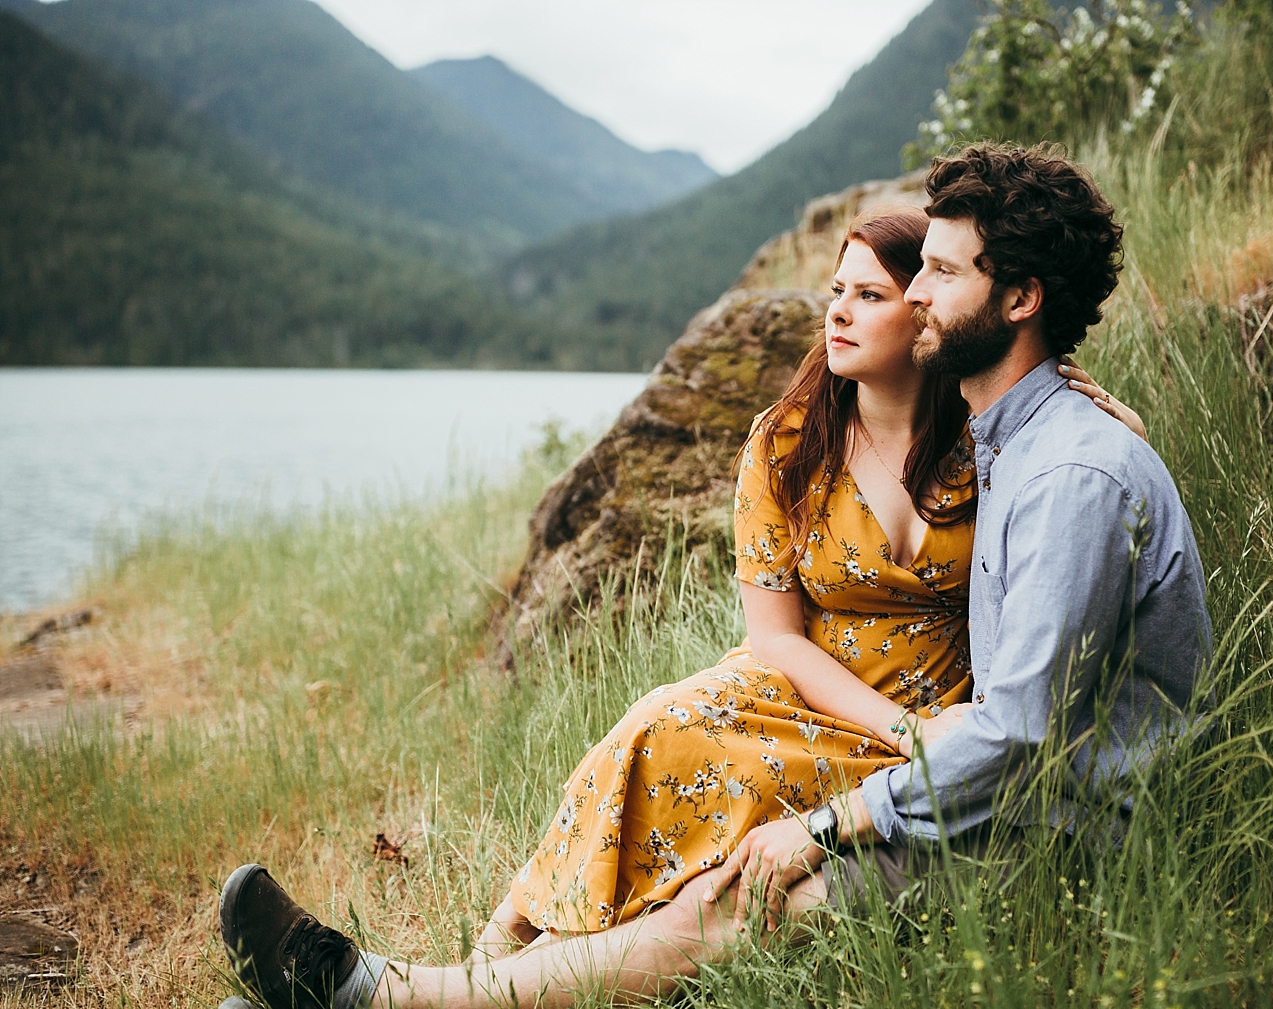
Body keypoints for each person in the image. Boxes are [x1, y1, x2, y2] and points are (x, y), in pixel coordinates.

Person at [216, 148, 1174, 1008]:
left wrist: (830, 823)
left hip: (1042, 820)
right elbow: (807, 641)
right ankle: (436, 978)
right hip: (959, 765)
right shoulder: (1000, 430)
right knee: (672, 746)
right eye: (900, 275)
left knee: (746, 895)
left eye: (933, 274)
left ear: (1018, 300)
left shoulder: (1049, 464)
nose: (907, 295)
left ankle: (401, 997)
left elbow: (1016, 732)